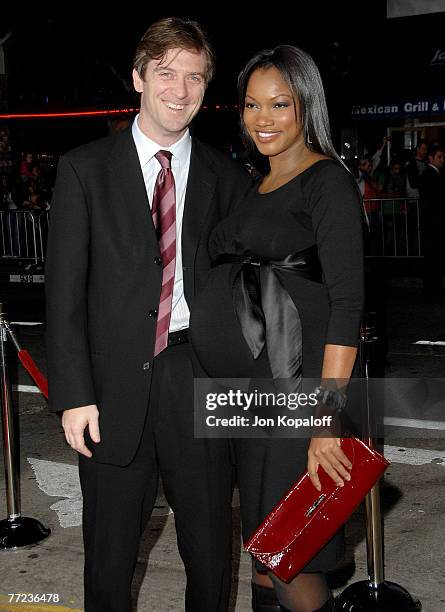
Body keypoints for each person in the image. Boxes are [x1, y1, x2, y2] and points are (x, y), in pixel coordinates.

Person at [45, 17, 251, 612]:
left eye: (194, 77)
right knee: (108, 560)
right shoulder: (85, 169)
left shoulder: (227, 176)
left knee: (210, 555)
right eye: (166, 74)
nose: (180, 91)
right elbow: (65, 296)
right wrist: (74, 395)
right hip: (109, 391)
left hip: (199, 379)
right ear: (139, 78)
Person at [190, 45, 364, 611]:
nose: (263, 119)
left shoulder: (326, 183)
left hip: (300, 398)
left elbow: (345, 307)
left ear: (306, 106)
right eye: (251, 105)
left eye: (279, 104)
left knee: (290, 558)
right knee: (267, 555)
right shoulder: (256, 184)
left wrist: (326, 423)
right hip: (251, 403)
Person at [418, 143, 445, 298]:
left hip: (433, 223)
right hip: (433, 223)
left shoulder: (434, 174)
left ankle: (433, 289)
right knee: (433, 257)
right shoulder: (429, 175)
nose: (442, 160)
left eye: (442, 157)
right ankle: (431, 290)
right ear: (431, 158)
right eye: (439, 157)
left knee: (435, 257)